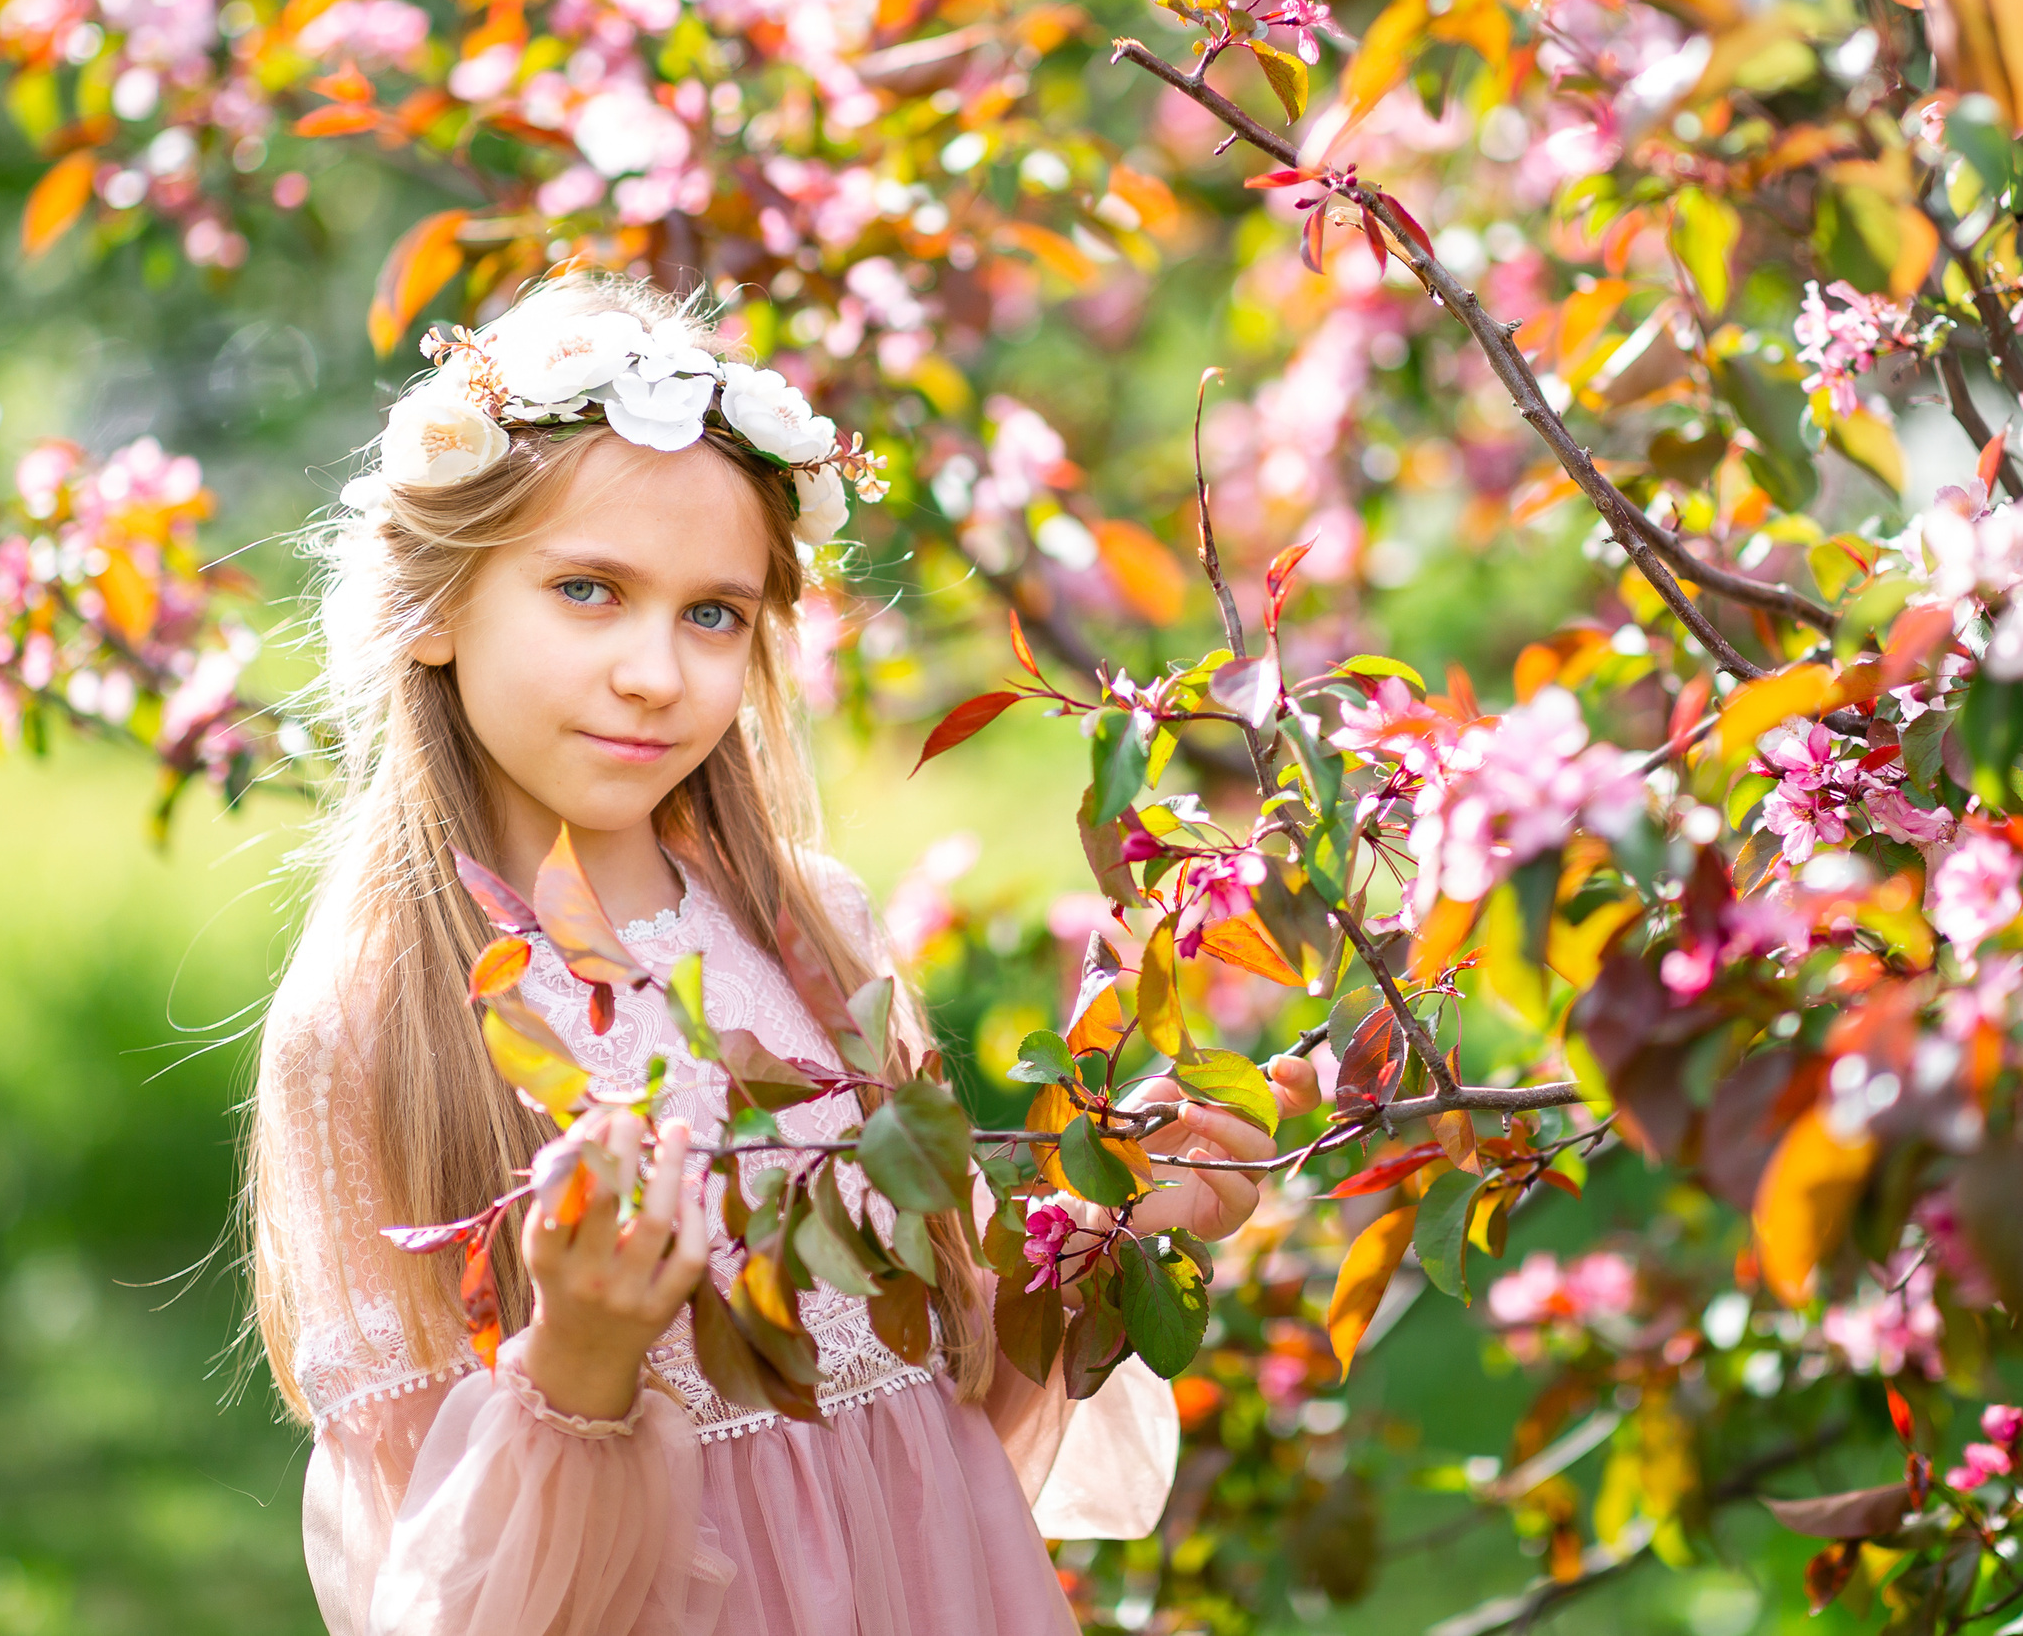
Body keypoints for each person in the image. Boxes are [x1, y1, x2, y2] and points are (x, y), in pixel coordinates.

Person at [248, 272, 1276, 1635]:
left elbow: (934, 1389)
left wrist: (1104, 1232)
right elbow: (442, 1589)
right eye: (589, 591)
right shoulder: (384, 1021)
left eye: (712, 613)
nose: (656, 672)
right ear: (435, 606)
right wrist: (580, 1362)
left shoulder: (811, 931)